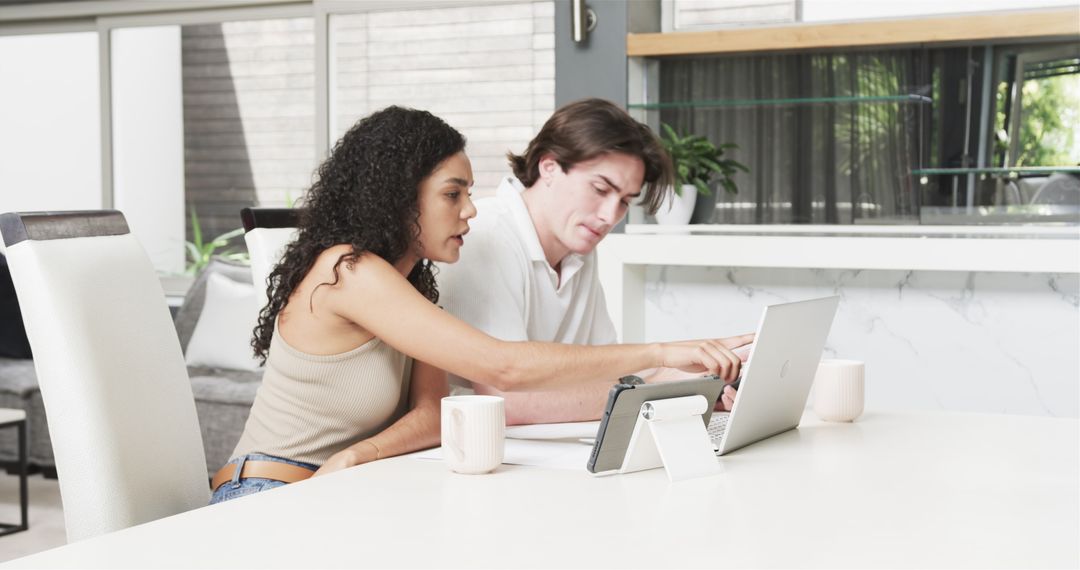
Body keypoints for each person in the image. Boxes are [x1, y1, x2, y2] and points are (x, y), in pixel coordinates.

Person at [210, 106, 744, 504]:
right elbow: (503, 366)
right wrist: (662, 351)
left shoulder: (414, 284)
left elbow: (431, 414)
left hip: (346, 486)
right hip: (266, 492)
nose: (470, 211)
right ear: (401, 195)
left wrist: (358, 455)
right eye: (452, 194)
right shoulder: (348, 272)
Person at [437, 98, 753, 425]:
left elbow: (609, 366)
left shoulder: (577, 244)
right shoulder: (485, 235)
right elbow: (510, 400)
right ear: (549, 167)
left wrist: (699, 382)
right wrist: (660, 386)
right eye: (600, 189)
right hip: (466, 452)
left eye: (624, 202)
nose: (609, 216)